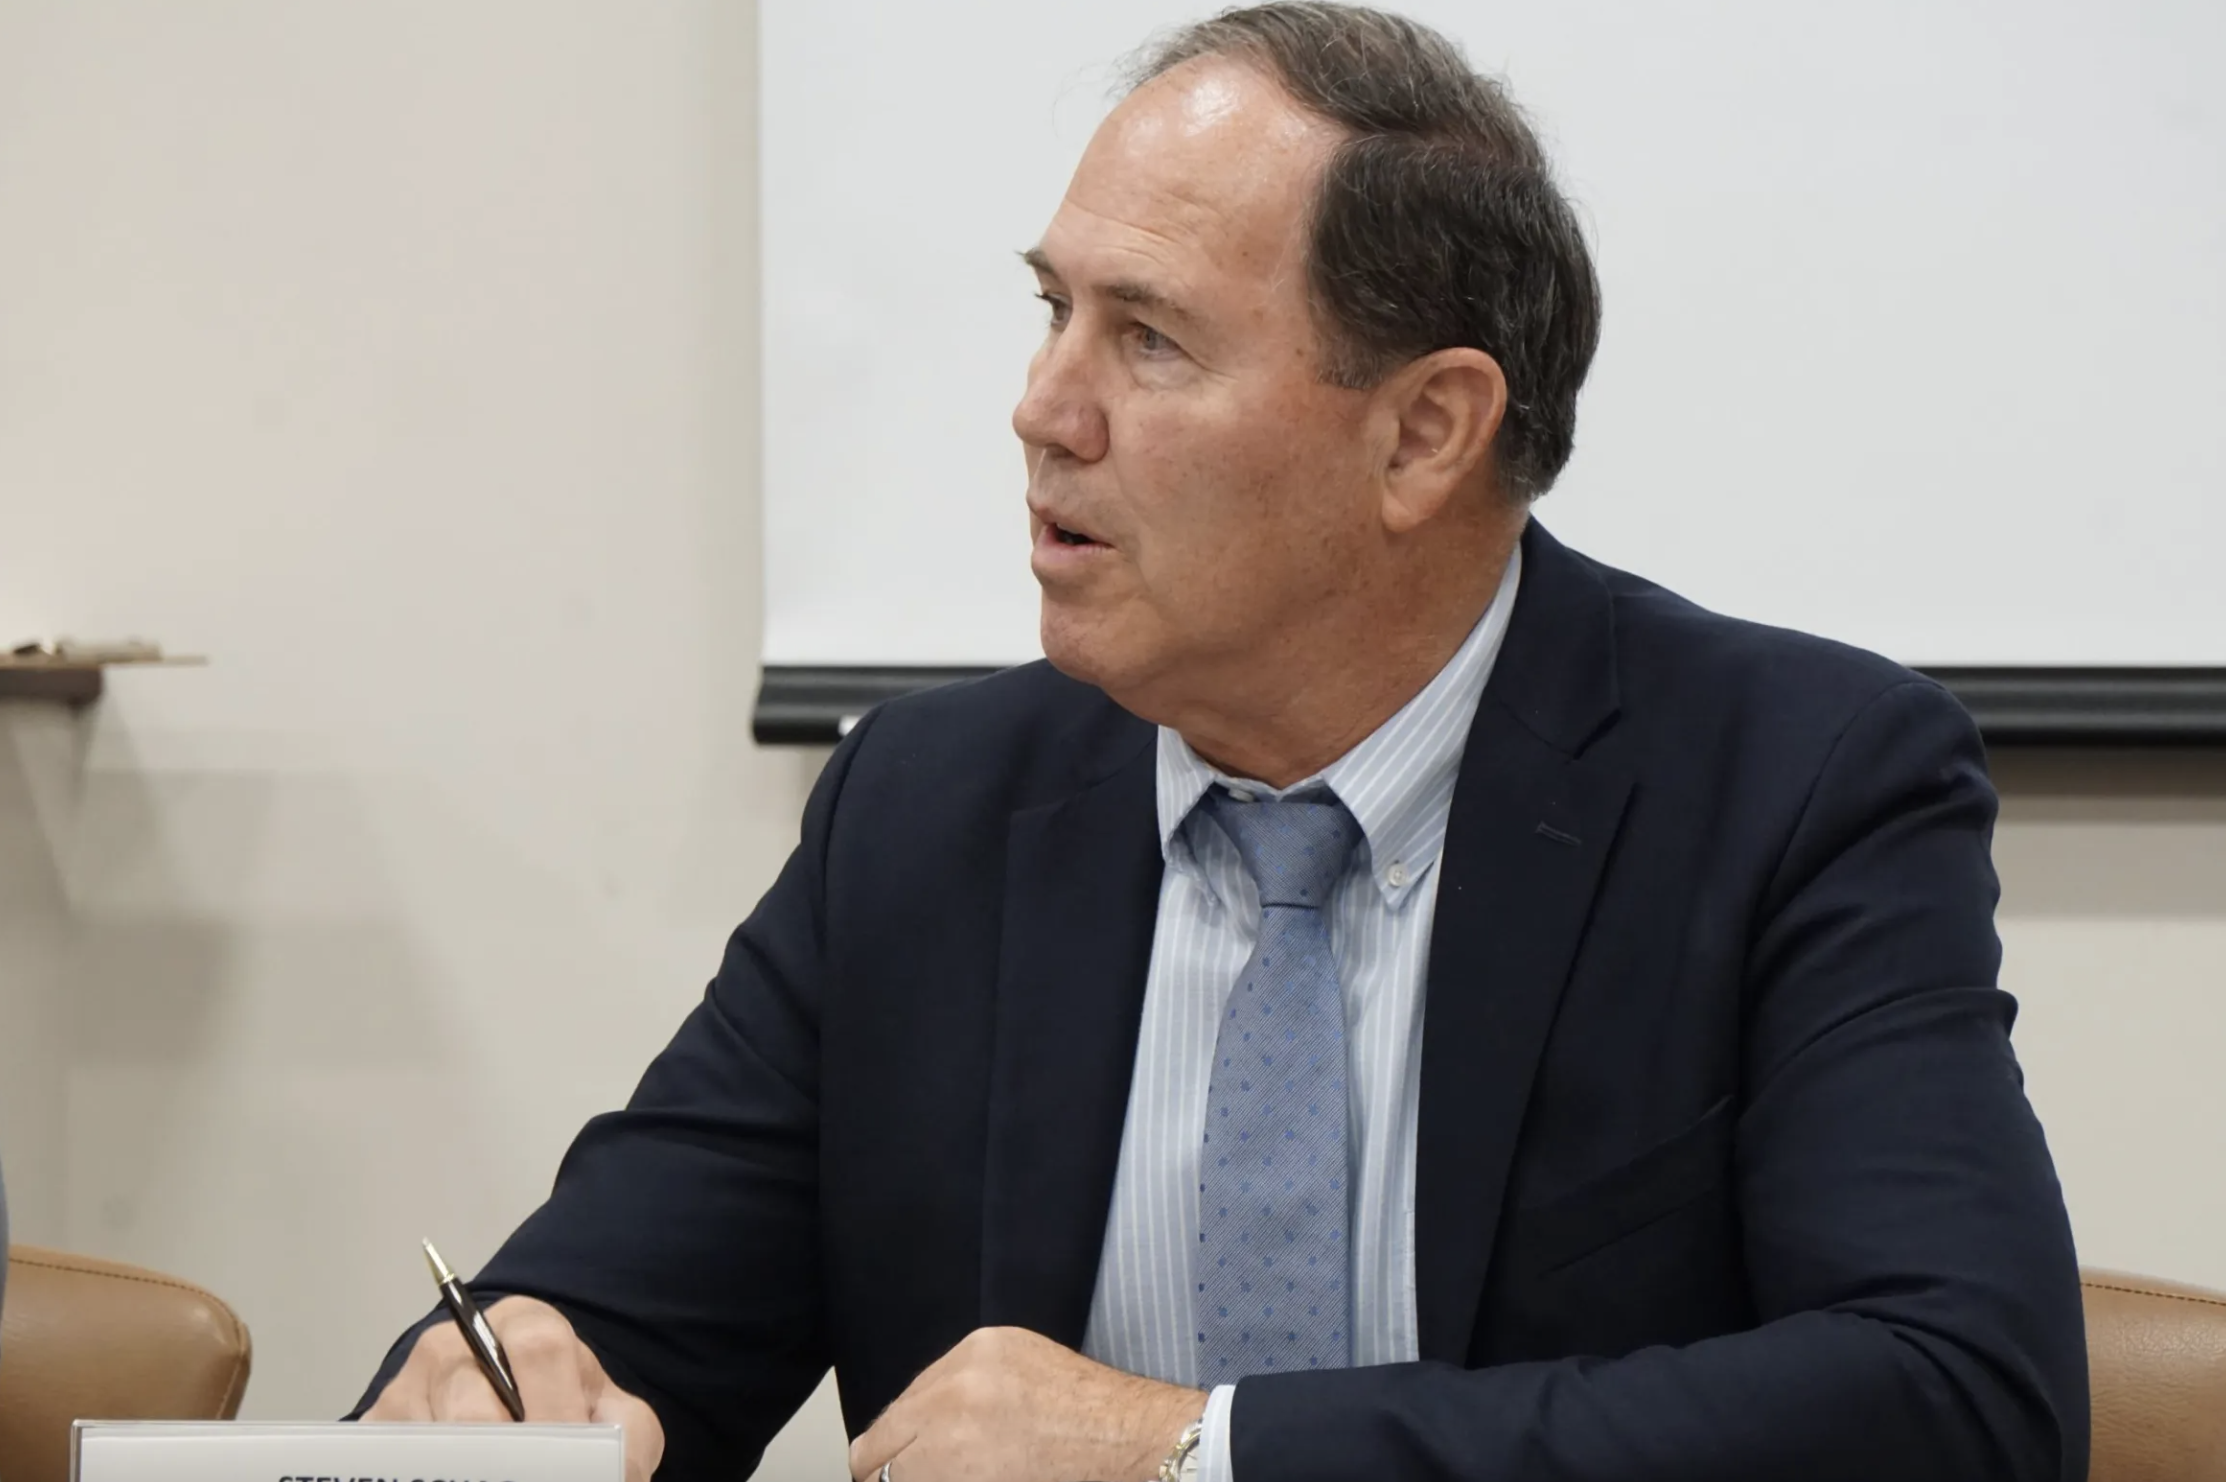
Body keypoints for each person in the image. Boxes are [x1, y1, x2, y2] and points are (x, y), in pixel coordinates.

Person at [355, 5, 2087, 1480]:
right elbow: (607, 1329)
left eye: (1150, 337)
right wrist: (505, 1373)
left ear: (1424, 432)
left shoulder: (1791, 784)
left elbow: (1957, 1394)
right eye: (1052, 312)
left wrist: (1196, 1446)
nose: (1044, 408)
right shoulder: (927, 812)